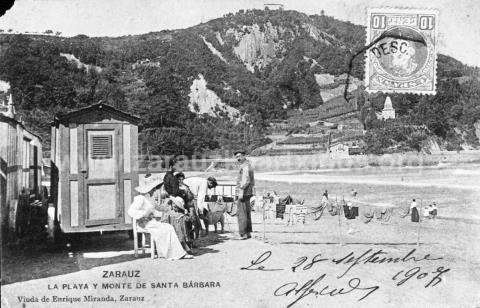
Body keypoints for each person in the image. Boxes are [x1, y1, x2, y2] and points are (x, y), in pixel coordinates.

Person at [127, 176, 193, 260]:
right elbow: (131, 211)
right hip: (144, 223)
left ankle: (174, 253)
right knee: (166, 229)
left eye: (154, 188)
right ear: (148, 189)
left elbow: (158, 208)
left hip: (151, 222)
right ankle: (172, 253)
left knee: (169, 227)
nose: (155, 190)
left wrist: (170, 210)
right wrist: (145, 214)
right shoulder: (140, 198)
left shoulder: (149, 198)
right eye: (153, 188)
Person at [234, 149, 255, 240]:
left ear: (244, 156)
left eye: (239, 156)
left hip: (243, 192)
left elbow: (246, 181)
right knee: (247, 212)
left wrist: (240, 192)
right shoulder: (248, 165)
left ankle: (243, 234)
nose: (238, 158)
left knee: (241, 213)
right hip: (248, 192)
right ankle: (248, 232)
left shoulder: (245, 166)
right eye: (236, 157)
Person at [176, 172, 202, 243]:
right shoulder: (173, 187)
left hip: (187, 207)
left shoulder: (185, 187)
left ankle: (191, 241)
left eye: (182, 179)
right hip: (177, 207)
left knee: (191, 222)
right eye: (179, 179)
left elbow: (190, 198)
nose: (180, 181)